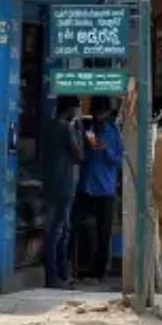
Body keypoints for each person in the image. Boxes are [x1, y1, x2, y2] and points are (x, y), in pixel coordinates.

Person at [73, 96, 123, 283]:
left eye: (101, 114)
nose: (98, 117)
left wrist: (105, 150)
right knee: (73, 227)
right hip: (85, 187)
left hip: (105, 190)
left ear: (108, 113)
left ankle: (100, 272)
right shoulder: (87, 128)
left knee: (104, 233)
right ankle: (75, 268)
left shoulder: (114, 132)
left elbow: (119, 161)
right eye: (95, 114)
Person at [42, 96, 85, 289]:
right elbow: (79, 156)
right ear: (69, 110)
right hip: (64, 187)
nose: (78, 113)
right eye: (77, 109)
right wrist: (79, 132)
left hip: (49, 184)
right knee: (59, 232)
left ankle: (56, 274)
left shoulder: (48, 126)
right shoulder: (67, 128)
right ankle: (57, 276)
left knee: (52, 230)